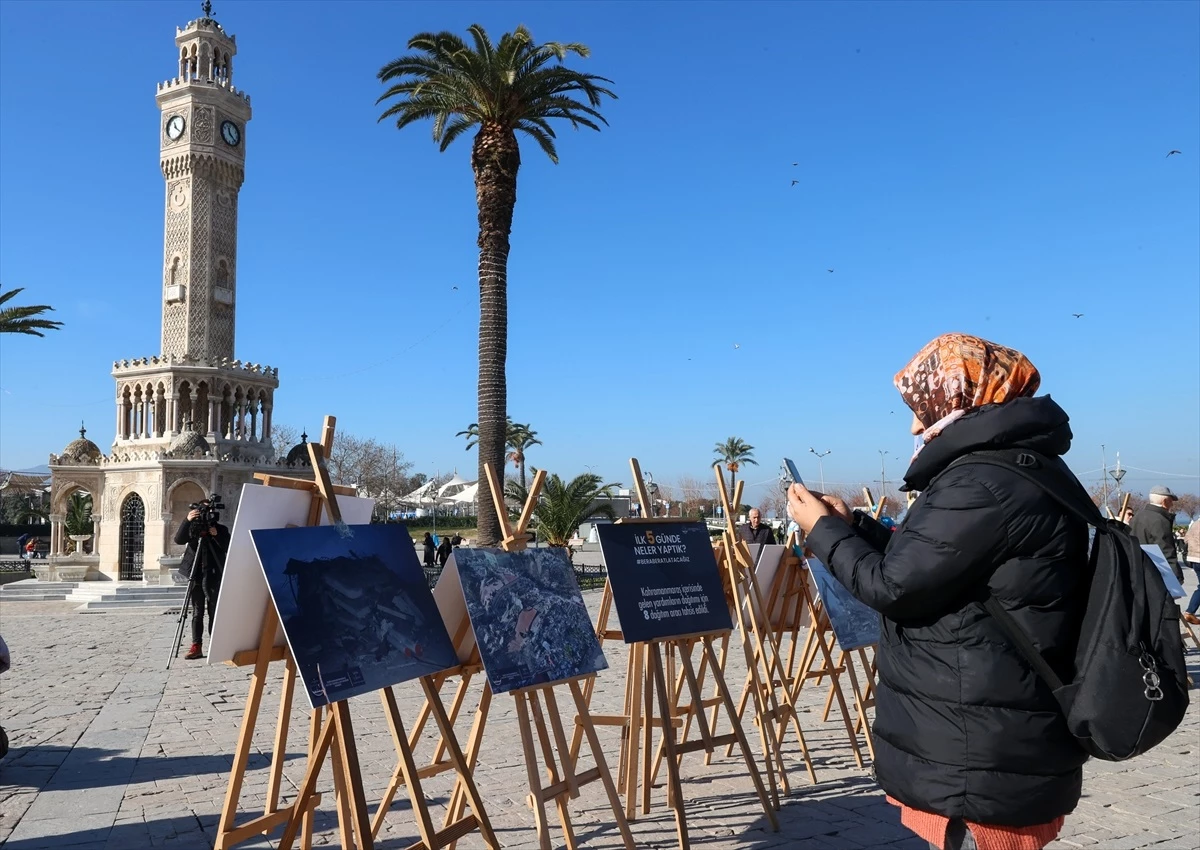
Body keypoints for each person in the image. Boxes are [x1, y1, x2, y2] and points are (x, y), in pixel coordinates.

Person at [787, 333, 1089, 850]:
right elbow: (938, 563)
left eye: (921, 406)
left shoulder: (979, 483)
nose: (914, 424)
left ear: (960, 396)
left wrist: (822, 532)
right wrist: (854, 527)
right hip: (987, 729)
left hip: (975, 748)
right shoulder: (1007, 469)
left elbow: (895, 586)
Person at [175, 499, 231, 661]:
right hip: (196, 573)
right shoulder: (194, 527)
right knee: (197, 611)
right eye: (202, 511)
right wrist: (187, 520)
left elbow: (228, 546)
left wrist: (217, 535)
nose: (206, 514)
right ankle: (196, 646)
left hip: (213, 573)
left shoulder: (220, 529)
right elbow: (179, 540)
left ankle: (216, 645)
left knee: (214, 610)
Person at [1128, 486, 1182, 583]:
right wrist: (1175, 576)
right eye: (1171, 501)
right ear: (1164, 501)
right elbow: (1166, 550)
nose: (1172, 505)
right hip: (1157, 572)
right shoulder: (1160, 520)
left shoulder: (1137, 516)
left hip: (1138, 568)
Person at [1184, 516, 1200, 626]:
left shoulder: (1195, 524)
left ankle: (1190, 611)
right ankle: (1190, 611)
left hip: (1194, 559)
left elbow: (1186, 540)